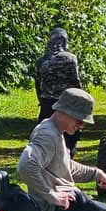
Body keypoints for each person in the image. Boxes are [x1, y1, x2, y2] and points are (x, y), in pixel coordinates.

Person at [35, 27, 82, 155]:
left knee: (45, 137)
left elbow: (38, 85)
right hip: (67, 105)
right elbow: (76, 82)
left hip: (47, 105)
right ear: (65, 41)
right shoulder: (71, 59)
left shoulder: (41, 61)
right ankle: (68, 165)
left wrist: (41, 100)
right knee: (69, 139)